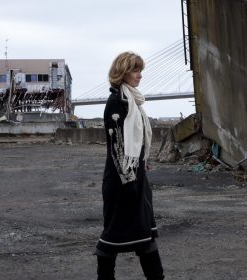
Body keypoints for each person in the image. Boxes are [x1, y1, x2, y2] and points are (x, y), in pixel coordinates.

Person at [95, 51, 164, 280]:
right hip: (122, 180)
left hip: (135, 177)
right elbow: (117, 147)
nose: (140, 75)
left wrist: (141, 165)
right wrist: (129, 182)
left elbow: (135, 143)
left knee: (143, 235)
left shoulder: (132, 100)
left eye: (140, 70)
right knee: (114, 236)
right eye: (135, 70)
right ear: (122, 72)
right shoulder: (117, 102)